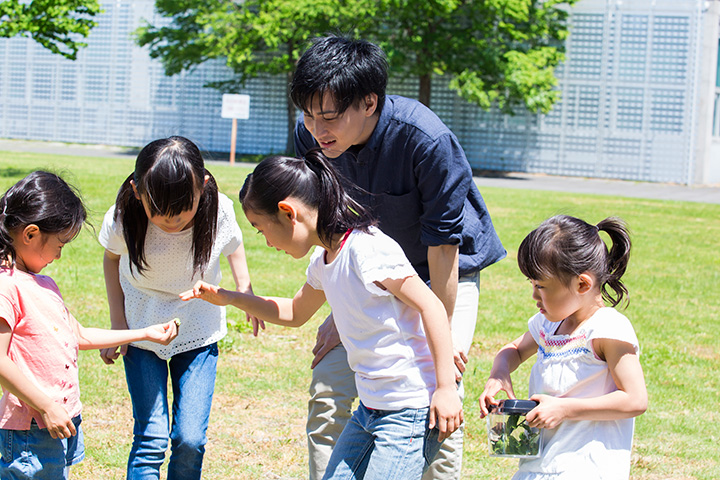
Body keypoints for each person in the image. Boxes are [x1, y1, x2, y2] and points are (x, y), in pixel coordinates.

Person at [291, 34, 506, 480]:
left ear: (368, 102)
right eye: (308, 114)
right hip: (363, 275)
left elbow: (444, 249)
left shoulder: (426, 141)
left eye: (328, 116)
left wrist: (436, 344)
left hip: (440, 277)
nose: (316, 129)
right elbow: (333, 229)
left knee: (435, 400)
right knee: (329, 388)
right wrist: (344, 309)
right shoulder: (311, 139)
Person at [180, 149, 463, 479]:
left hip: (410, 409)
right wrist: (229, 298)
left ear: (288, 213)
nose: (267, 242)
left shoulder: (367, 250)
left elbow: (430, 305)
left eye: (261, 228)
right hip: (371, 410)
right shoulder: (325, 260)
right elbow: (294, 312)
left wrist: (445, 388)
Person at [0, 171, 179, 480]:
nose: (59, 254)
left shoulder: (42, 283)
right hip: (32, 427)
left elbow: (78, 334)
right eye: (59, 244)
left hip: (57, 420)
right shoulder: (6, 286)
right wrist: (45, 406)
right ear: (30, 234)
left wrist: (144, 333)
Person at [98, 136, 258, 480]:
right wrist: (117, 323)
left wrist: (245, 291)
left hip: (198, 323)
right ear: (138, 191)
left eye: (183, 208)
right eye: (158, 211)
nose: (171, 220)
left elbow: (235, 246)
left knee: (190, 438)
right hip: (142, 323)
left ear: (203, 186)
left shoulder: (219, 210)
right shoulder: (125, 216)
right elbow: (111, 260)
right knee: (151, 438)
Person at [478, 215, 648, 479]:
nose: (534, 296)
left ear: (582, 284)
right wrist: (498, 374)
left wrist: (564, 409)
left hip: (587, 468)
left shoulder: (607, 329)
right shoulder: (548, 325)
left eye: (541, 286)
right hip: (540, 466)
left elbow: (635, 399)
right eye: (532, 284)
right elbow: (514, 349)